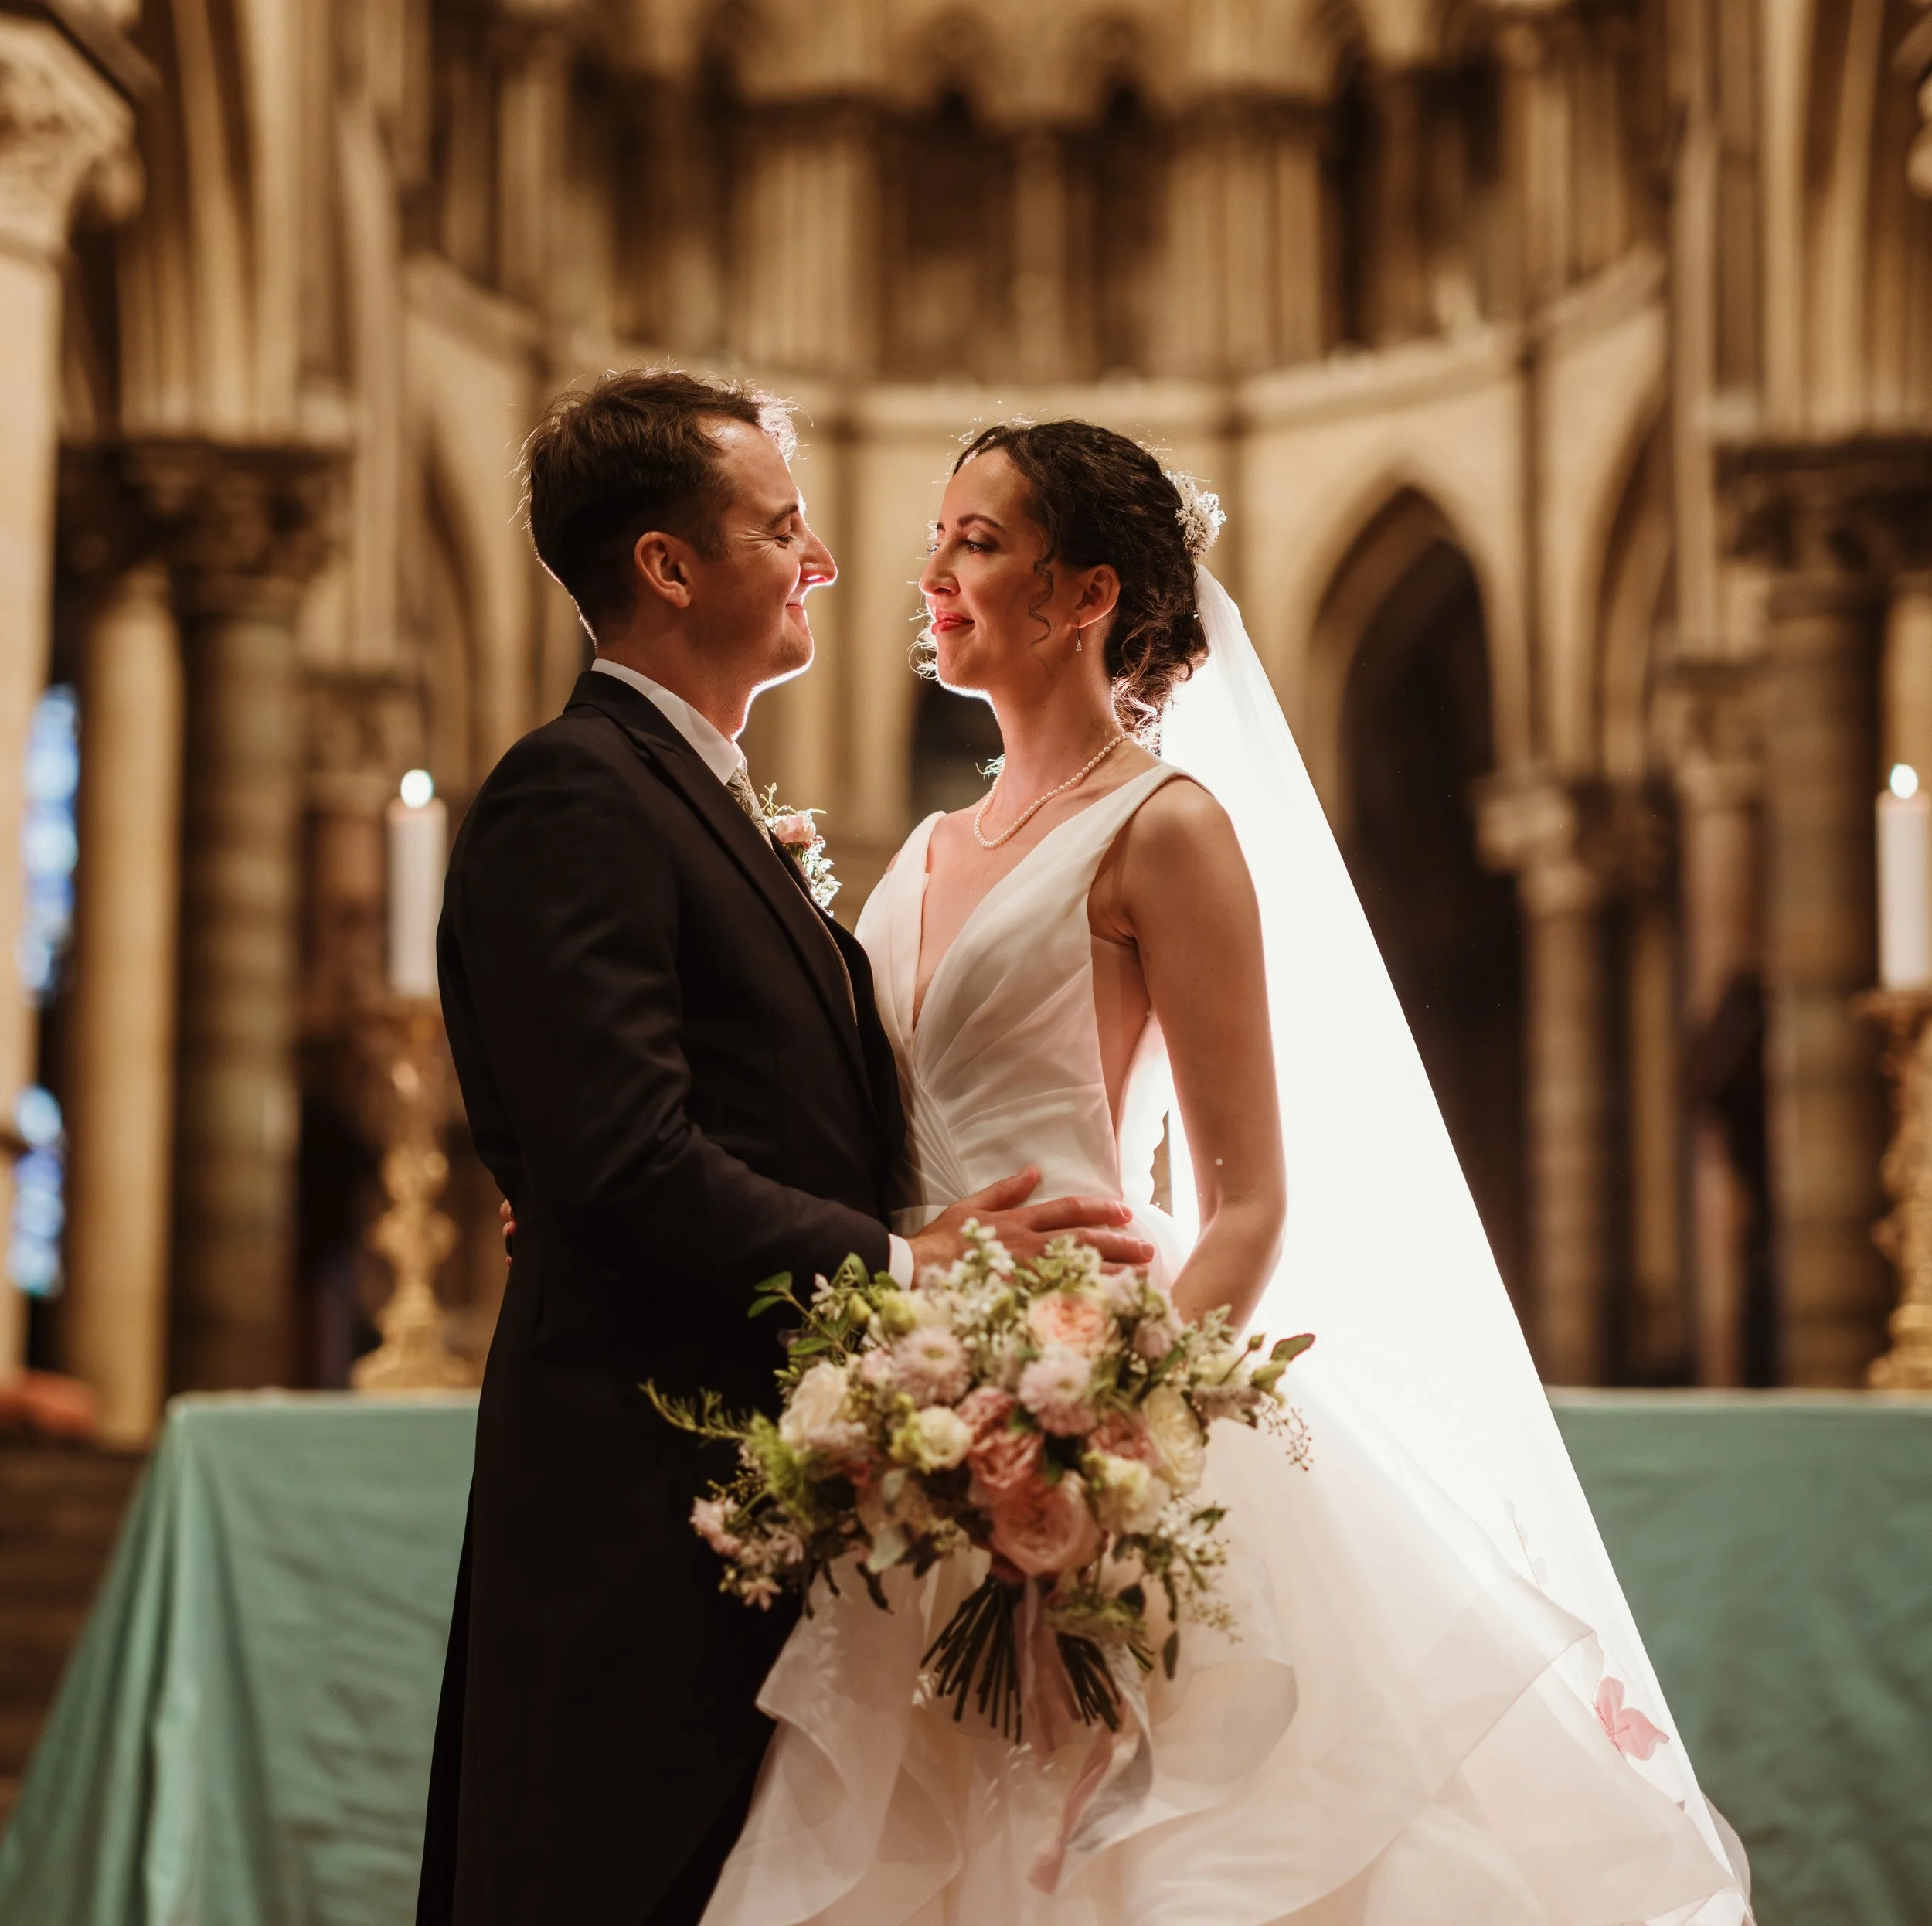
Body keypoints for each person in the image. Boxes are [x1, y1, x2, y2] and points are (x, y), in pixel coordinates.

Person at [698, 422, 1754, 1924]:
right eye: (936, 537)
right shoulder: (920, 848)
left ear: (1084, 595)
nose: (927, 571)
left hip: (1092, 1401)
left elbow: (1247, 1201)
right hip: (913, 1407)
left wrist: (1090, 1437)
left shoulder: (1165, 828)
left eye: (977, 542)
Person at [416, 373, 1151, 1926]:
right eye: (781, 527)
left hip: (789, 1495)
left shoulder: (688, 798)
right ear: (669, 567)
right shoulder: (574, 793)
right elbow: (619, 1157)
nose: (822, 562)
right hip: (643, 1514)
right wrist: (907, 1266)